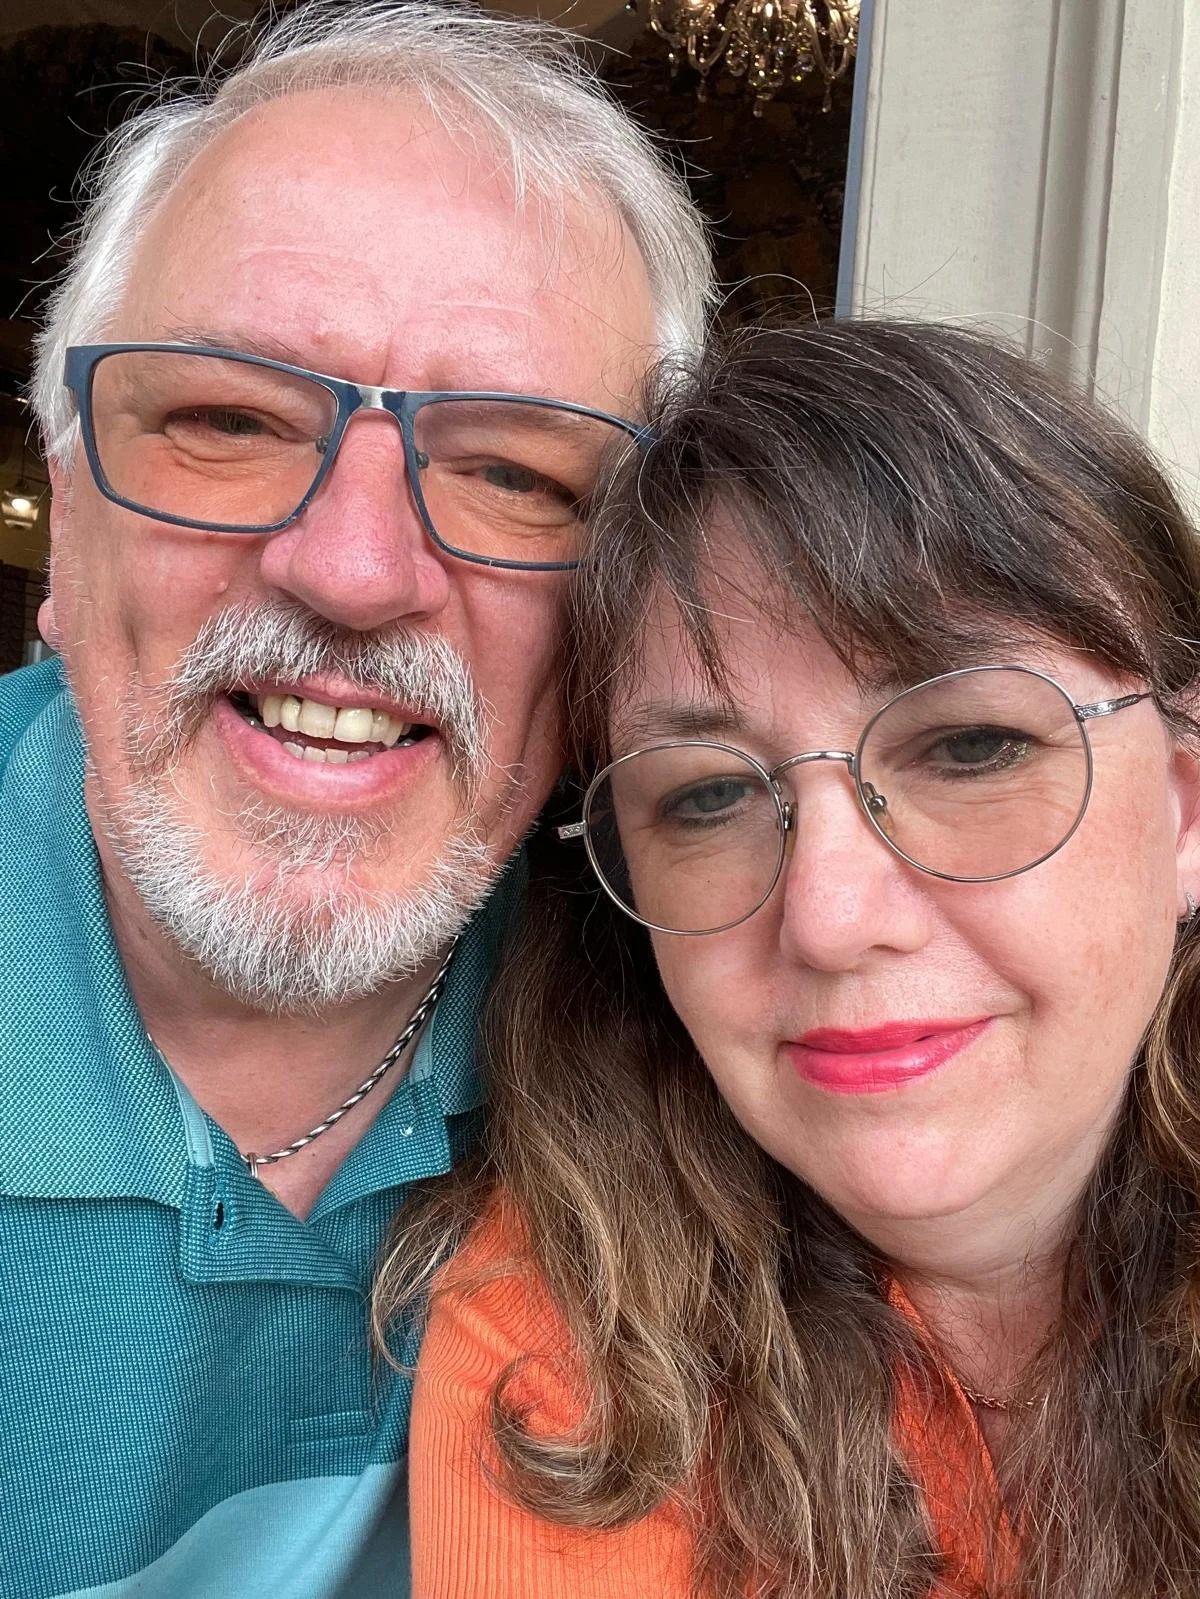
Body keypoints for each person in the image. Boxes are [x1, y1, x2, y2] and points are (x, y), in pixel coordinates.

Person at [0, 4, 712, 1594]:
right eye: (228, 423)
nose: (353, 567)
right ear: (65, 517)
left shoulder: (734, 1002)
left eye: (516, 473)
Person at [396, 320, 1200, 1598]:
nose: (828, 919)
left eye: (971, 749)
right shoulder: (569, 1350)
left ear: (1185, 808)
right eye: (709, 796)